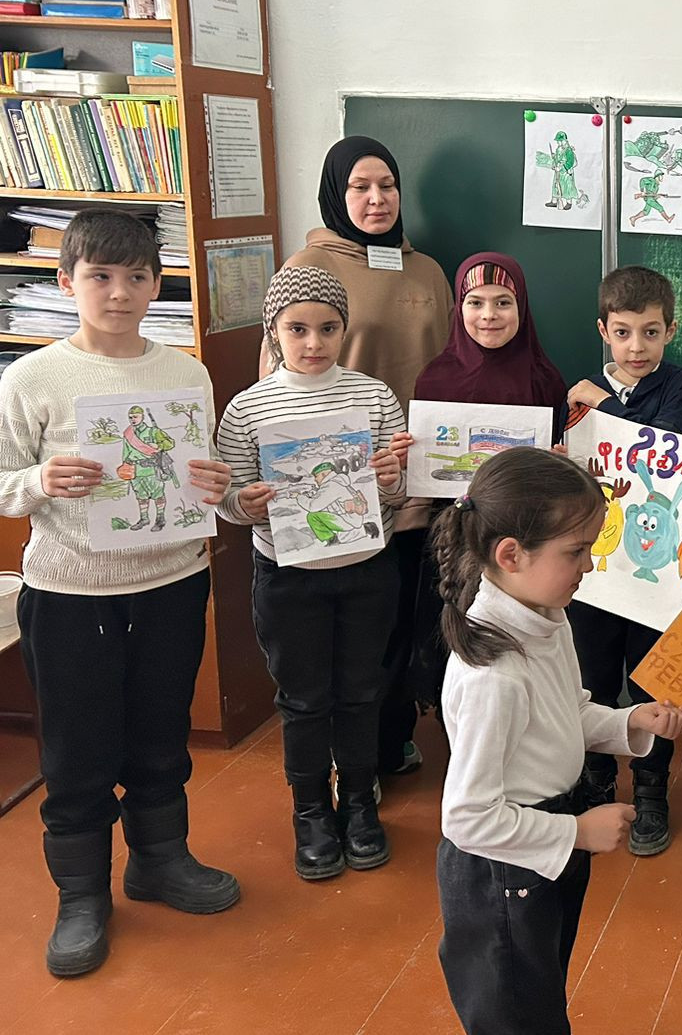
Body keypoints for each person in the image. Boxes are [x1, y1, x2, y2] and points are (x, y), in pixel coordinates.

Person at [0, 209, 238, 977]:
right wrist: (40, 480)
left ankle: (160, 859)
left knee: (161, 731)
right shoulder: (31, 377)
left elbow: (200, 467)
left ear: (156, 284)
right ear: (65, 280)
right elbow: (3, 479)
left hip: (172, 581)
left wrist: (214, 481)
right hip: (70, 592)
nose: (119, 291)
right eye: (99, 275)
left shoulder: (186, 372)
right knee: (77, 746)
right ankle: (81, 894)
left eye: (136, 276)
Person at [432, 448, 682, 1034]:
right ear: (510, 555)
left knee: (540, 997)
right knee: (517, 1015)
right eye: (576, 551)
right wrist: (575, 831)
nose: (590, 565)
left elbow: (566, 712)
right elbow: (468, 818)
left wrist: (632, 722)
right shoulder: (494, 675)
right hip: (503, 871)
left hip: (543, 845)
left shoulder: (546, 615)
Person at [217, 267, 407, 881]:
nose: (314, 342)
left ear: (345, 330)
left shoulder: (374, 396)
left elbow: (398, 490)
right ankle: (310, 811)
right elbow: (231, 498)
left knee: (361, 691)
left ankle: (359, 803)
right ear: (273, 331)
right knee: (302, 700)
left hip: (367, 570)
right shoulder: (247, 407)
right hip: (287, 575)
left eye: (328, 328)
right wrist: (243, 505)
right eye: (297, 329)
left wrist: (390, 479)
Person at [273, 135, 454, 778]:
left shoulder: (427, 270)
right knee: (351, 636)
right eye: (359, 187)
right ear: (335, 192)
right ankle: (351, 763)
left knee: (405, 618)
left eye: (387, 185)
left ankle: (392, 738)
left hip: (418, 475)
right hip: (340, 481)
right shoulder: (308, 268)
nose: (377, 199)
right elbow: (277, 378)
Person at [565, 266, 682, 855]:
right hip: (594, 571)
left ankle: (651, 789)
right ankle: (597, 780)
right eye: (623, 333)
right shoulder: (574, 397)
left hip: (657, 572)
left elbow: (663, 448)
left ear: (670, 330)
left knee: (652, 682)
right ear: (604, 330)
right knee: (593, 680)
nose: (636, 347)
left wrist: (601, 405)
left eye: (651, 332)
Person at [405, 253, 571, 719]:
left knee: (518, 639)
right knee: (457, 636)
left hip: (523, 537)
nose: (489, 315)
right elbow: (426, 472)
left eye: (503, 302)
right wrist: (409, 453)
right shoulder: (435, 377)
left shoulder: (544, 379)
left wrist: (558, 459)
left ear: (522, 309)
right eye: (475, 302)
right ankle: (461, 734)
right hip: (452, 538)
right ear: (458, 308)